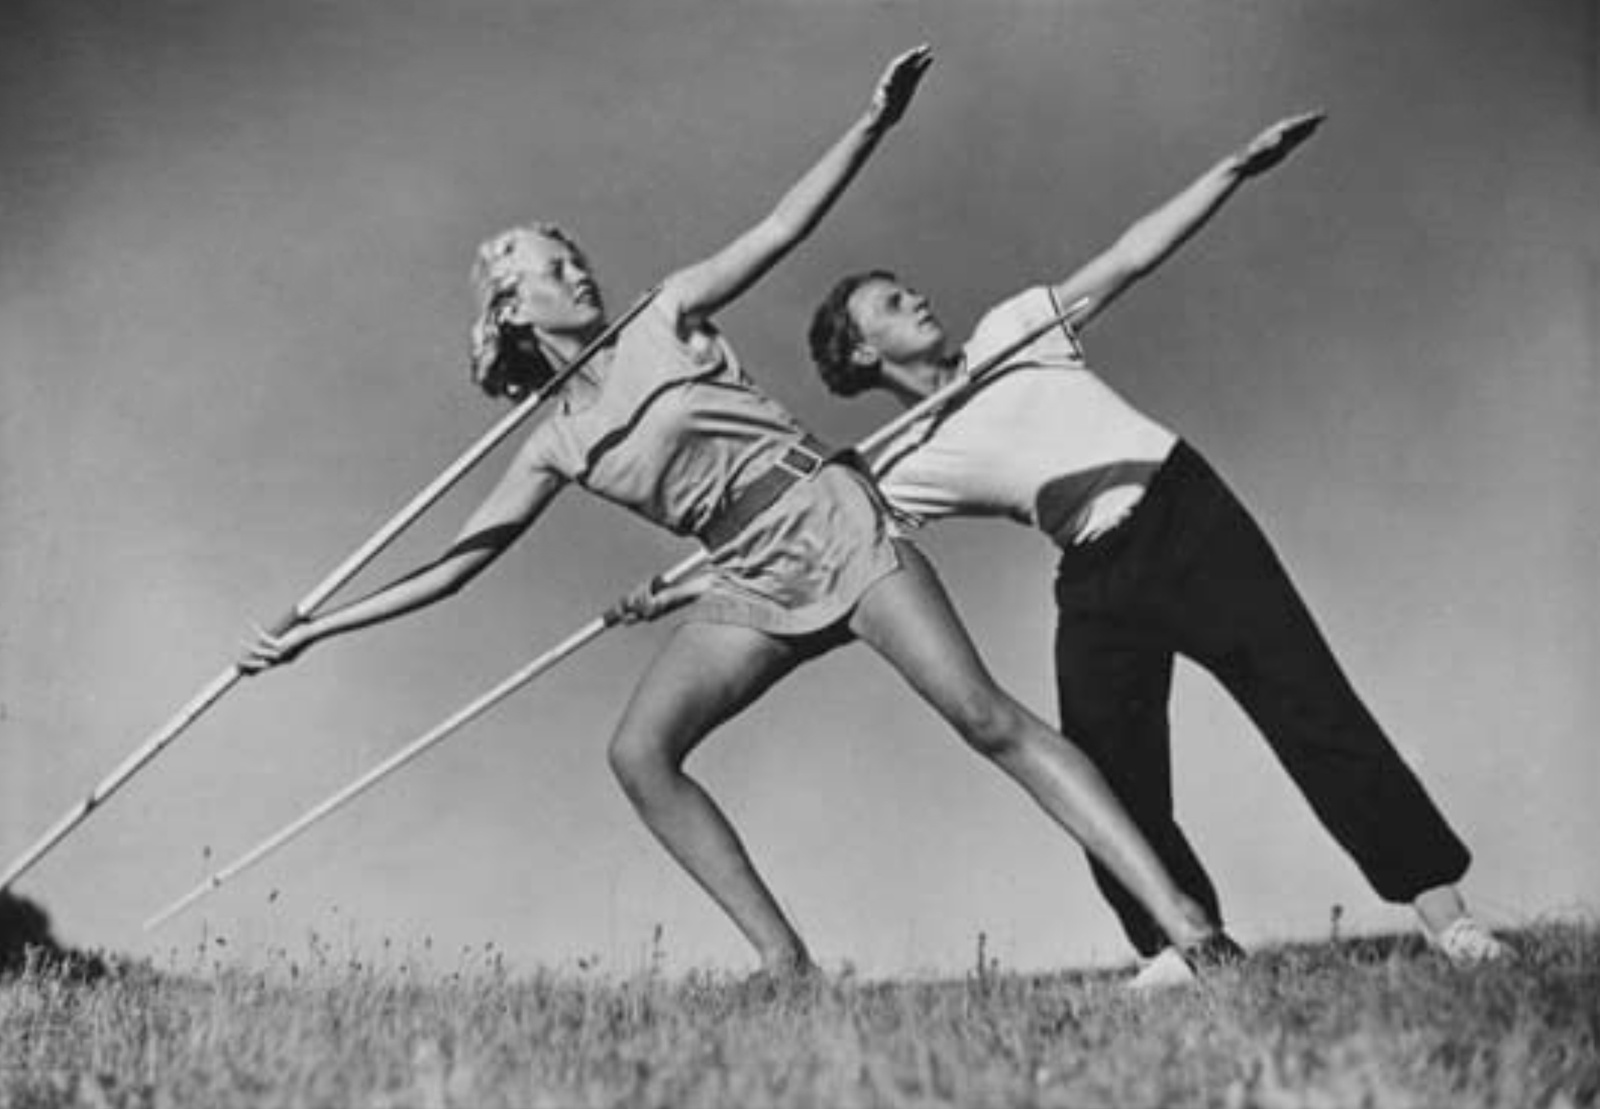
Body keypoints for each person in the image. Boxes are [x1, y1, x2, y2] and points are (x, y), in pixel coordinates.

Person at [242, 47, 1230, 981]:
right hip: (749, 577)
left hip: (829, 518)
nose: (580, 271)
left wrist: (872, 121)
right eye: (553, 267)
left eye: (574, 256)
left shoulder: (664, 314)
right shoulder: (552, 444)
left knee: (984, 718)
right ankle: (785, 965)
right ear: (511, 308)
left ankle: (1189, 927)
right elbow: (460, 563)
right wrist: (315, 628)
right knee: (641, 752)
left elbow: (782, 227)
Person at [807, 111, 1508, 988]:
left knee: (1308, 703)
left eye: (906, 287)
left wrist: (1234, 168)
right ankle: (1180, 945)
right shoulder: (898, 465)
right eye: (890, 301)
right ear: (862, 350)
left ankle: (1448, 919)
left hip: (1185, 515)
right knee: (1103, 764)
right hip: (1096, 574)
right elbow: (809, 537)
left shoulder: (1015, 328)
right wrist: (677, 591)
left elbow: (1133, 253)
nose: (916, 297)